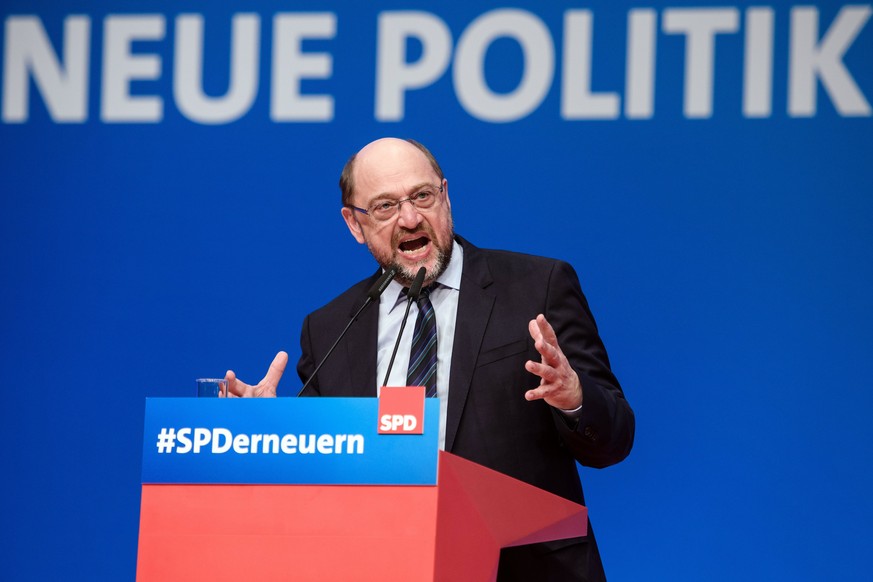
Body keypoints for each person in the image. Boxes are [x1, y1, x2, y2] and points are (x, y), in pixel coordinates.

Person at [225, 138, 634, 581]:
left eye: (422, 196)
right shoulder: (328, 330)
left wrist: (574, 397)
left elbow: (613, 439)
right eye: (384, 207)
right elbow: (320, 480)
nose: (410, 218)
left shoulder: (537, 287)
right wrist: (265, 436)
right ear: (354, 224)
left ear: (445, 194)